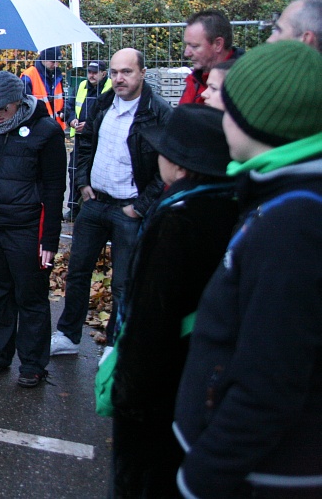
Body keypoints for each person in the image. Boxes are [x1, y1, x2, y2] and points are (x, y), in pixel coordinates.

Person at [174, 41, 322, 498]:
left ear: (254, 119)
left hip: (257, 478)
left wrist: (201, 478)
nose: (215, 109)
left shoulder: (292, 223)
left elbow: (270, 381)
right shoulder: (277, 195)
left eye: (226, 103)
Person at [110, 104, 238, 497]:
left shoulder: (177, 219)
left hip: (162, 389)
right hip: (202, 376)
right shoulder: (232, 205)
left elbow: (151, 321)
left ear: (179, 166)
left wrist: (127, 395)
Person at [51, 48, 172, 356]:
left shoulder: (158, 113)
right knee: (78, 272)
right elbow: (85, 144)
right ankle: (68, 336)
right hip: (94, 204)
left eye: (127, 72)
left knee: (123, 282)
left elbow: (166, 168)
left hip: (128, 210)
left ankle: (115, 344)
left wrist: (140, 207)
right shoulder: (103, 103)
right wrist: (82, 183)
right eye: (115, 72)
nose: (119, 78)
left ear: (142, 73)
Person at [0, 72, 65, 388]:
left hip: (26, 227)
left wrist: (49, 238)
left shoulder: (46, 131)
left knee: (31, 296)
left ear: (18, 102)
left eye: (2, 109)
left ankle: (32, 364)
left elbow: (54, 189)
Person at [67, 60, 112, 220]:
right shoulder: (81, 86)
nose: (91, 75)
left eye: (95, 72)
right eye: (89, 72)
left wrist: (90, 125)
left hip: (99, 139)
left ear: (104, 73)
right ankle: (73, 207)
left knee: (94, 172)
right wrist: (72, 120)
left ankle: (91, 208)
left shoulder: (111, 89)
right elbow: (70, 106)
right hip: (80, 138)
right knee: (74, 170)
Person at [179, 10, 243, 104]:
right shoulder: (196, 78)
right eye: (187, 45)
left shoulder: (242, 84)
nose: (186, 53)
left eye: (194, 46)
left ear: (218, 44)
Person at [21, 46, 67, 130]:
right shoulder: (29, 76)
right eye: (53, 61)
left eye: (58, 61)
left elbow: (61, 98)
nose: (56, 65)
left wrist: (64, 110)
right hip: (37, 127)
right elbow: (25, 105)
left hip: (56, 127)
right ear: (44, 59)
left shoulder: (57, 74)